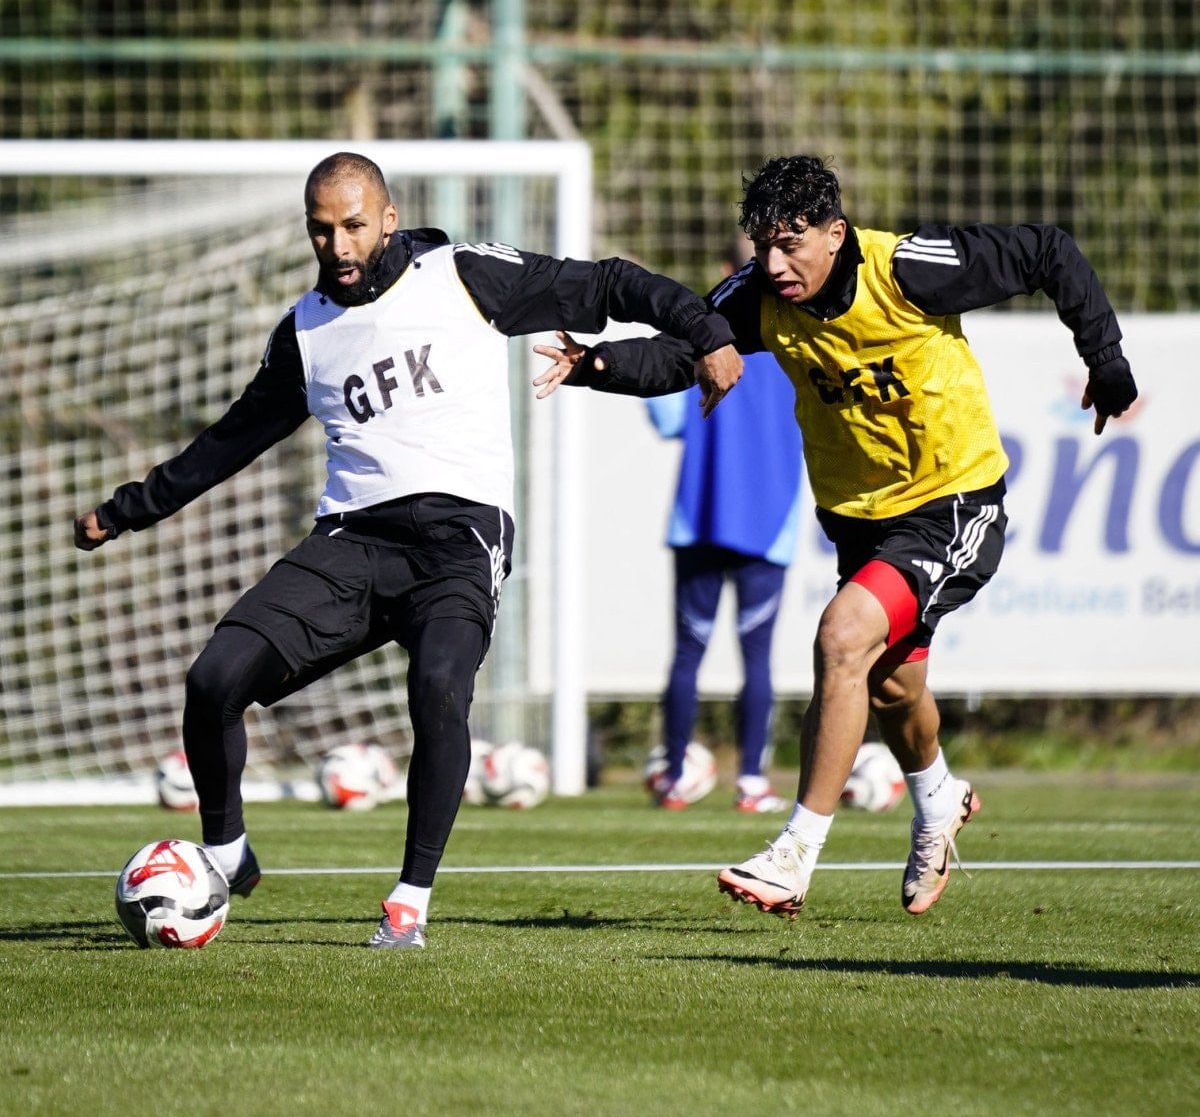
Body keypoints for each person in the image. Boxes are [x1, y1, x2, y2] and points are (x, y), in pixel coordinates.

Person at [74, 151, 742, 950]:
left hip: (460, 540)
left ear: (388, 218)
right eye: (322, 231)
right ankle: (224, 851)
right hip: (353, 540)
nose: (340, 246)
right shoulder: (306, 331)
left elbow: (604, 282)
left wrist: (703, 330)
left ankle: (409, 900)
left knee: (438, 688)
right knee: (213, 679)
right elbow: (231, 441)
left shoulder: (462, 274)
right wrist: (126, 510)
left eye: (354, 225)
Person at [533, 154, 1137, 918]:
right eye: (762, 247)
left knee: (842, 635)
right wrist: (598, 363)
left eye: (792, 244)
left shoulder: (910, 270)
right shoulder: (761, 296)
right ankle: (939, 797)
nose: (775, 264)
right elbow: (691, 349)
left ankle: (794, 851)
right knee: (891, 684)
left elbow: (1049, 248)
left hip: (952, 501)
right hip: (859, 518)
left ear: (836, 233)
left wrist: (1105, 359)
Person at [644, 239, 802, 814]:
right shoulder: (799, 341)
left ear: (725, 273)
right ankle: (752, 782)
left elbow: (663, 414)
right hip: (772, 522)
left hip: (701, 516)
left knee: (688, 654)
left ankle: (674, 774)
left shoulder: (700, 338)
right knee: (757, 657)